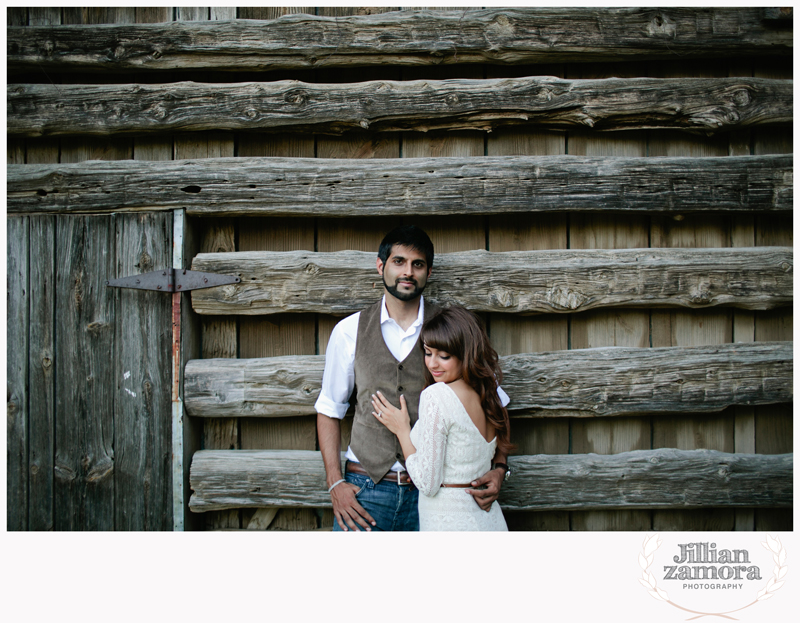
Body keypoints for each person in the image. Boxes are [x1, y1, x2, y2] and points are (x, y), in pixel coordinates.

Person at [315, 225, 510, 532]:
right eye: (399, 262)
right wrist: (335, 484)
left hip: (435, 498)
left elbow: (495, 404)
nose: (408, 272)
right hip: (365, 491)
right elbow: (329, 409)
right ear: (381, 266)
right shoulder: (349, 331)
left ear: (428, 272)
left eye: (417, 264)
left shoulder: (450, 330)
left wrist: (499, 468)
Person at [371, 305, 512, 531]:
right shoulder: (488, 393)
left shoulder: (437, 396)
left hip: (450, 522)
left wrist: (402, 431)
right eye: (428, 353)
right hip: (489, 521)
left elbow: (427, 483)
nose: (432, 364)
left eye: (444, 356)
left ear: (466, 354)